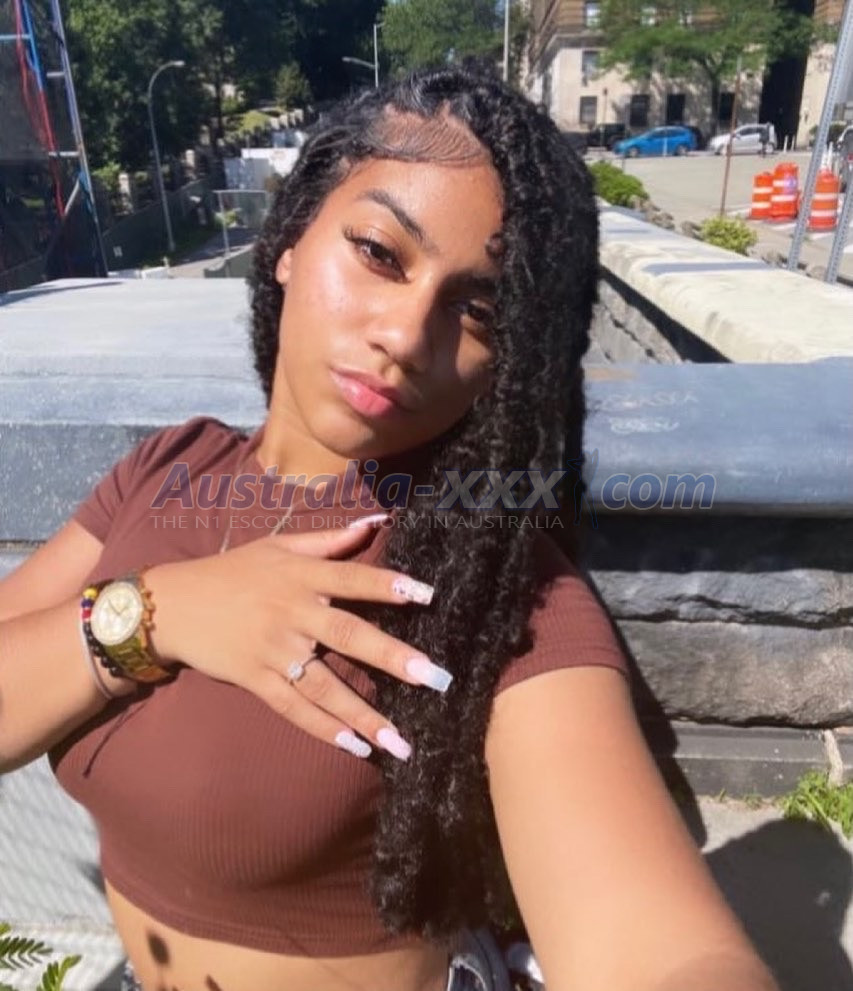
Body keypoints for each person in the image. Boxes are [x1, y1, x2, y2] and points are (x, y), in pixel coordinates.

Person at [0, 67, 780, 991]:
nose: (407, 336)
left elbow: (662, 952)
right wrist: (154, 612)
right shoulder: (170, 469)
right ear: (288, 240)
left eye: (476, 309)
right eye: (378, 252)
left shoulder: (488, 581)